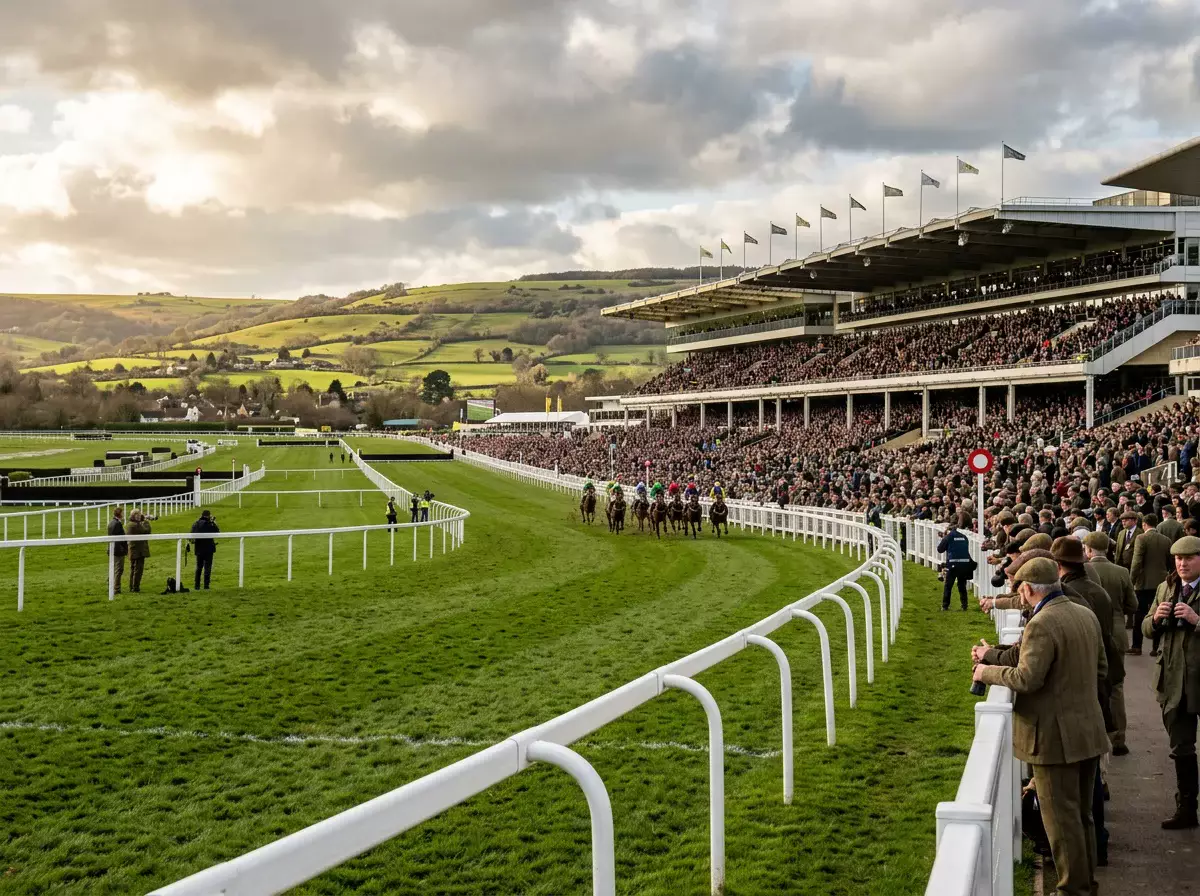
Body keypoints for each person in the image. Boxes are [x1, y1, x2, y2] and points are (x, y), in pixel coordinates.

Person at [973, 557, 1109, 896]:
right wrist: (992, 655)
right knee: (1082, 816)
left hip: (1054, 737)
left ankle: (1072, 889)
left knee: (1061, 822)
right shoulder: (1083, 612)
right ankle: (1085, 883)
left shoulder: (1043, 622)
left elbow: (1027, 678)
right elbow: (1102, 669)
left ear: (1027, 589)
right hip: (1088, 729)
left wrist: (985, 673)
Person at [1143, 535, 1200, 829]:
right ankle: (1187, 809)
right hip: (1174, 681)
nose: (1182, 563)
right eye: (1178, 559)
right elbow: (1145, 627)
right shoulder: (1166, 587)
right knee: (1181, 747)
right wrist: (1154, 620)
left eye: (1189, 558)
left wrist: (1196, 619)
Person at [1082, 530, 1136, 755]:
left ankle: (1094, 738)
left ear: (1089, 550)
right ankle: (1119, 739)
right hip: (1116, 632)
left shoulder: (1084, 570)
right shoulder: (1121, 571)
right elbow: (1132, 605)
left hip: (1090, 631)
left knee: (1090, 684)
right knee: (1116, 686)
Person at [1131, 512, 1173, 655]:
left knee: (1140, 615)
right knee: (1158, 614)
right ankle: (1156, 647)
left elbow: (1137, 562)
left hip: (1143, 583)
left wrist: (1132, 580)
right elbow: (1170, 563)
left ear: (1144, 524)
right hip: (1161, 582)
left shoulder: (1141, 538)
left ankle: (1137, 645)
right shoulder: (1166, 540)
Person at [937, 514, 973, 611]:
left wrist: (943, 538)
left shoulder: (950, 535)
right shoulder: (966, 535)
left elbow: (940, 549)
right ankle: (964, 605)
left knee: (948, 585)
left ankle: (945, 606)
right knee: (962, 585)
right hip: (964, 563)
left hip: (952, 563)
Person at [189, 509, 220, 590]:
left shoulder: (196, 523)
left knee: (199, 568)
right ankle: (206, 586)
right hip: (209, 549)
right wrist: (213, 522)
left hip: (199, 548)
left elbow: (191, 536)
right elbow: (217, 532)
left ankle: (197, 586)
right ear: (209, 516)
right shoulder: (210, 524)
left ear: (201, 515)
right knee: (207, 568)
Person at [126, 509, 154, 594]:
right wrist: (146, 520)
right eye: (137, 515)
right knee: (138, 570)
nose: (139, 516)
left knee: (133, 569)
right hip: (138, 551)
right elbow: (146, 531)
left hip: (134, 550)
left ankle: (132, 586)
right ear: (133, 516)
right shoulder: (134, 525)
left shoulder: (131, 524)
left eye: (139, 515)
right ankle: (135, 587)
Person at [107, 507, 127, 594]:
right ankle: (116, 588)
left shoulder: (111, 522)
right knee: (119, 569)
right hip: (118, 550)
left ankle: (110, 583)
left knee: (114, 568)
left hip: (112, 548)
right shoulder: (117, 524)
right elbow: (120, 538)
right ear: (120, 514)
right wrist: (123, 549)